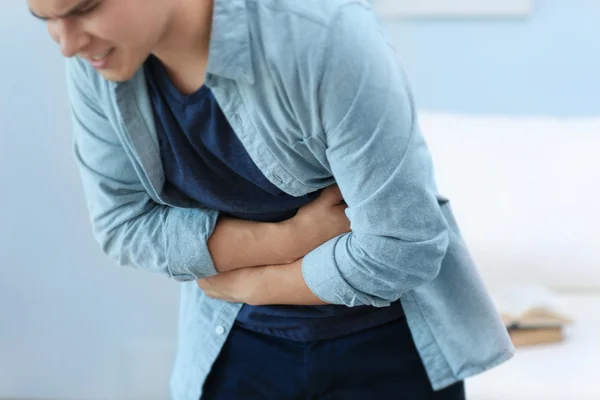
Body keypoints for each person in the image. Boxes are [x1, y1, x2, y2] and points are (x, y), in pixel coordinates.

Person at [28, 0, 515, 398]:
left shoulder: (327, 37)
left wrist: (252, 286)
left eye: (85, 8)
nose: (68, 43)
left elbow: (402, 247)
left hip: (388, 349)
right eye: (45, 19)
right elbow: (122, 227)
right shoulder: (97, 64)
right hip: (232, 347)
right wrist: (291, 238)